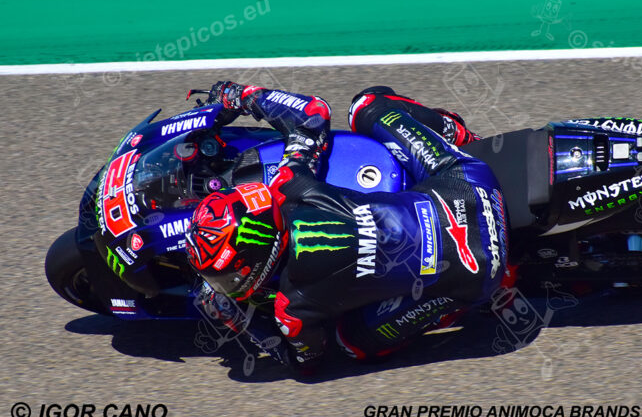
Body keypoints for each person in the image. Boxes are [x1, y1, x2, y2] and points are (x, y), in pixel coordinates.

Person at [185, 81, 508, 371]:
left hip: (481, 271)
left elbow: (306, 362)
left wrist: (241, 320)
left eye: (225, 276)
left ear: (257, 256)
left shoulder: (292, 306)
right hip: (472, 182)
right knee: (366, 105)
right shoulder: (290, 185)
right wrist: (242, 96)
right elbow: (313, 112)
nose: (222, 283)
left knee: (352, 345)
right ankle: (461, 137)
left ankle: (454, 307)